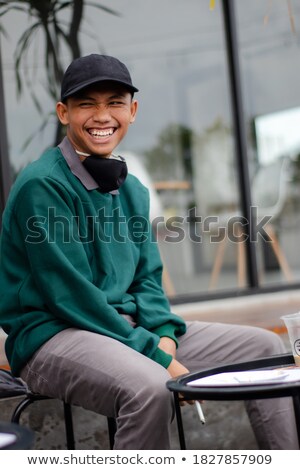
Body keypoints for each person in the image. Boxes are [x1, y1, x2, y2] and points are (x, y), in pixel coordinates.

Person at [0, 54, 298, 450]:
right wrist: (159, 359)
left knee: (263, 349)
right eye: (86, 103)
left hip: (128, 328)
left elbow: (147, 279)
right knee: (153, 387)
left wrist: (164, 338)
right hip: (54, 335)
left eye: (115, 102)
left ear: (133, 111)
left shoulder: (132, 189)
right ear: (64, 113)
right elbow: (73, 299)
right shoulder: (43, 185)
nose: (102, 115)